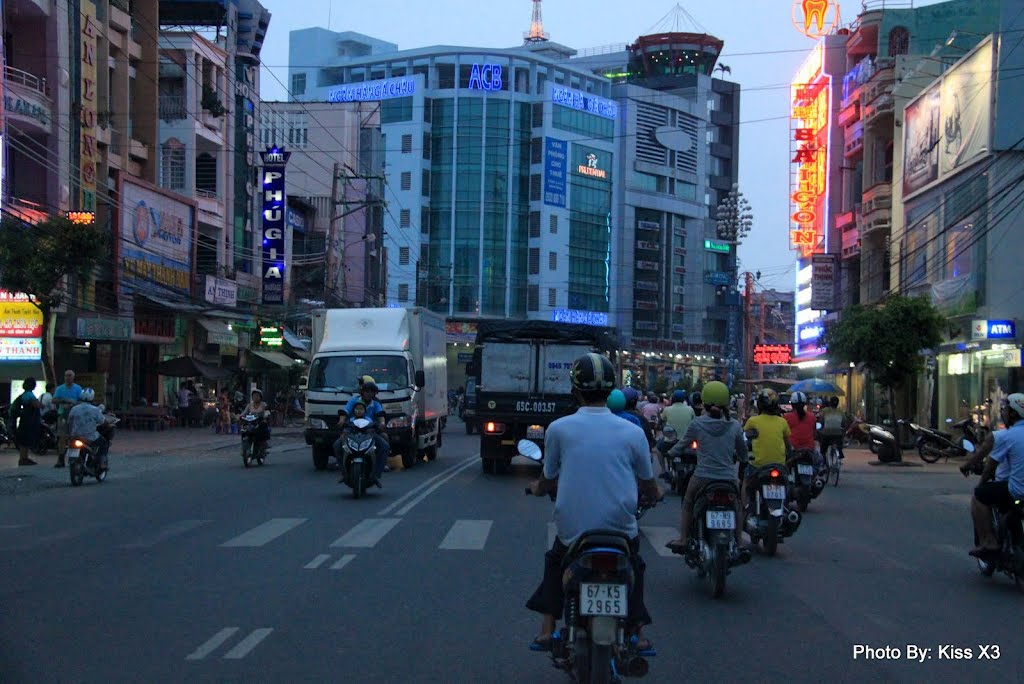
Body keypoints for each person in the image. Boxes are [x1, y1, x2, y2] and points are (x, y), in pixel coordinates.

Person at [526, 352, 660, 653]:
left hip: (574, 531)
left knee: (555, 562)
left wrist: (537, 487)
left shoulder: (560, 428)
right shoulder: (633, 431)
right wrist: (655, 493)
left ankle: (547, 629)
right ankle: (638, 632)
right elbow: (648, 482)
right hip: (621, 530)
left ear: (575, 390)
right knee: (635, 566)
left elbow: (549, 477)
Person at [666, 381, 747, 555]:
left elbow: (682, 445)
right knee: (737, 506)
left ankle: (683, 539)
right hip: (728, 478)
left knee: (688, 502)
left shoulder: (698, 424)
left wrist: (671, 453)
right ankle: (740, 542)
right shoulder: (734, 425)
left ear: (705, 401)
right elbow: (742, 452)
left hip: (702, 477)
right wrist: (745, 458)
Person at [970, 394, 1024, 557]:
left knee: (979, 496)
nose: (1003, 413)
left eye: (1006, 410)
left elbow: (990, 467)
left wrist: (981, 484)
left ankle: (989, 542)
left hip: (1017, 492)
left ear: (1013, 413)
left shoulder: (1007, 436)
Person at [742, 389, 792, 524]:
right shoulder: (782, 422)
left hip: (758, 466)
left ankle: (744, 508)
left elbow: (744, 439)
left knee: (746, 481)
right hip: (779, 466)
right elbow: (788, 445)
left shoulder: (752, 421)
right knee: (788, 483)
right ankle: (785, 505)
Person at [335, 381, 390, 484]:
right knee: (337, 445)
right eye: (367, 391)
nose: (369, 394)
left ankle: (376, 474)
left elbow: (380, 416)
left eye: (372, 392)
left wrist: (382, 424)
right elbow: (345, 412)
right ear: (362, 392)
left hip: (370, 431)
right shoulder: (354, 401)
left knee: (385, 445)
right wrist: (341, 421)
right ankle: (344, 472)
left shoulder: (376, 403)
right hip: (352, 431)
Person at [67, 388, 110, 470]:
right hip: (90, 437)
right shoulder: (95, 410)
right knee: (104, 443)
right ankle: (102, 463)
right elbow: (103, 422)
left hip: (74, 436)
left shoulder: (74, 409)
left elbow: (69, 422)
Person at [52, 370, 83, 467]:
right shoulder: (60, 389)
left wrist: (73, 403)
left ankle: (74, 458)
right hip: (63, 415)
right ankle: (61, 459)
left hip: (75, 416)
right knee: (62, 437)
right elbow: (54, 400)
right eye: (66, 376)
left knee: (74, 437)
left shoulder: (78, 388)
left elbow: (82, 401)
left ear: (73, 377)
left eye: (70, 376)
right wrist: (64, 401)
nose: (68, 377)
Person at [785, 391, 822, 470]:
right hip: (809, 450)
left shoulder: (786, 417)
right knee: (819, 461)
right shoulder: (812, 417)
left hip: (793, 450)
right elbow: (814, 433)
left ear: (792, 404)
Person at [12, 377, 41, 466]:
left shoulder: (24, 394)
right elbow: (36, 405)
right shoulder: (29, 395)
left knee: (24, 439)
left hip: (24, 419)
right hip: (28, 420)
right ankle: (23, 458)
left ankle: (24, 457)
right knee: (26, 439)